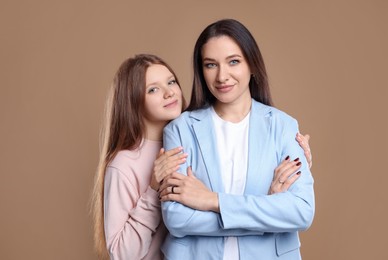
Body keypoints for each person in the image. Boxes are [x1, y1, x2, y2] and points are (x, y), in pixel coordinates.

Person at [90, 54, 312, 259]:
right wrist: (152, 191)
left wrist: (291, 167)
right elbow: (122, 253)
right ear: (132, 101)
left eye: (171, 82)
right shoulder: (124, 164)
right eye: (153, 90)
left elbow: (232, 190)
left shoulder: (191, 136)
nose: (169, 93)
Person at [159, 19, 315, 260]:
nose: (222, 76)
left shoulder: (283, 126)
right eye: (211, 65)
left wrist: (212, 200)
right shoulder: (180, 130)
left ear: (252, 64)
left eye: (233, 61)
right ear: (202, 71)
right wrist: (266, 213)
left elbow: (301, 211)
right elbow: (177, 219)